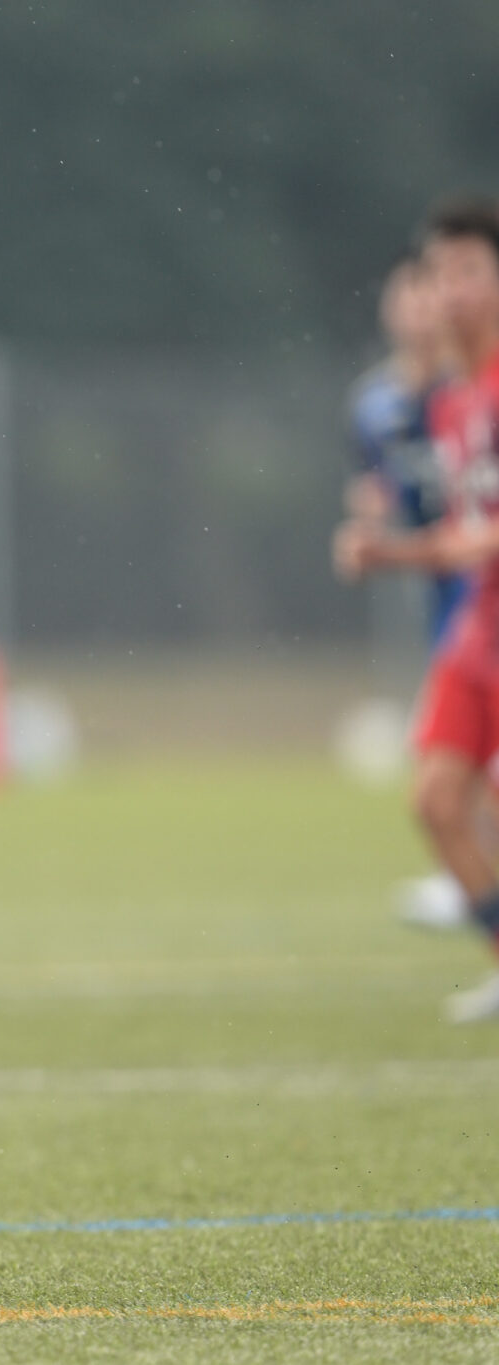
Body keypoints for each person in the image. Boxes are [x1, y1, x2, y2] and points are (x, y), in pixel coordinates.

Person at [336, 197, 499, 1021]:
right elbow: (460, 525)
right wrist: (384, 533)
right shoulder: (450, 403)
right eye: (440, 274)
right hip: (480, 625)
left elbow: (481, 535)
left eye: (471, 270)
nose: (452, 290)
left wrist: (398, 551)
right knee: (436, 801)